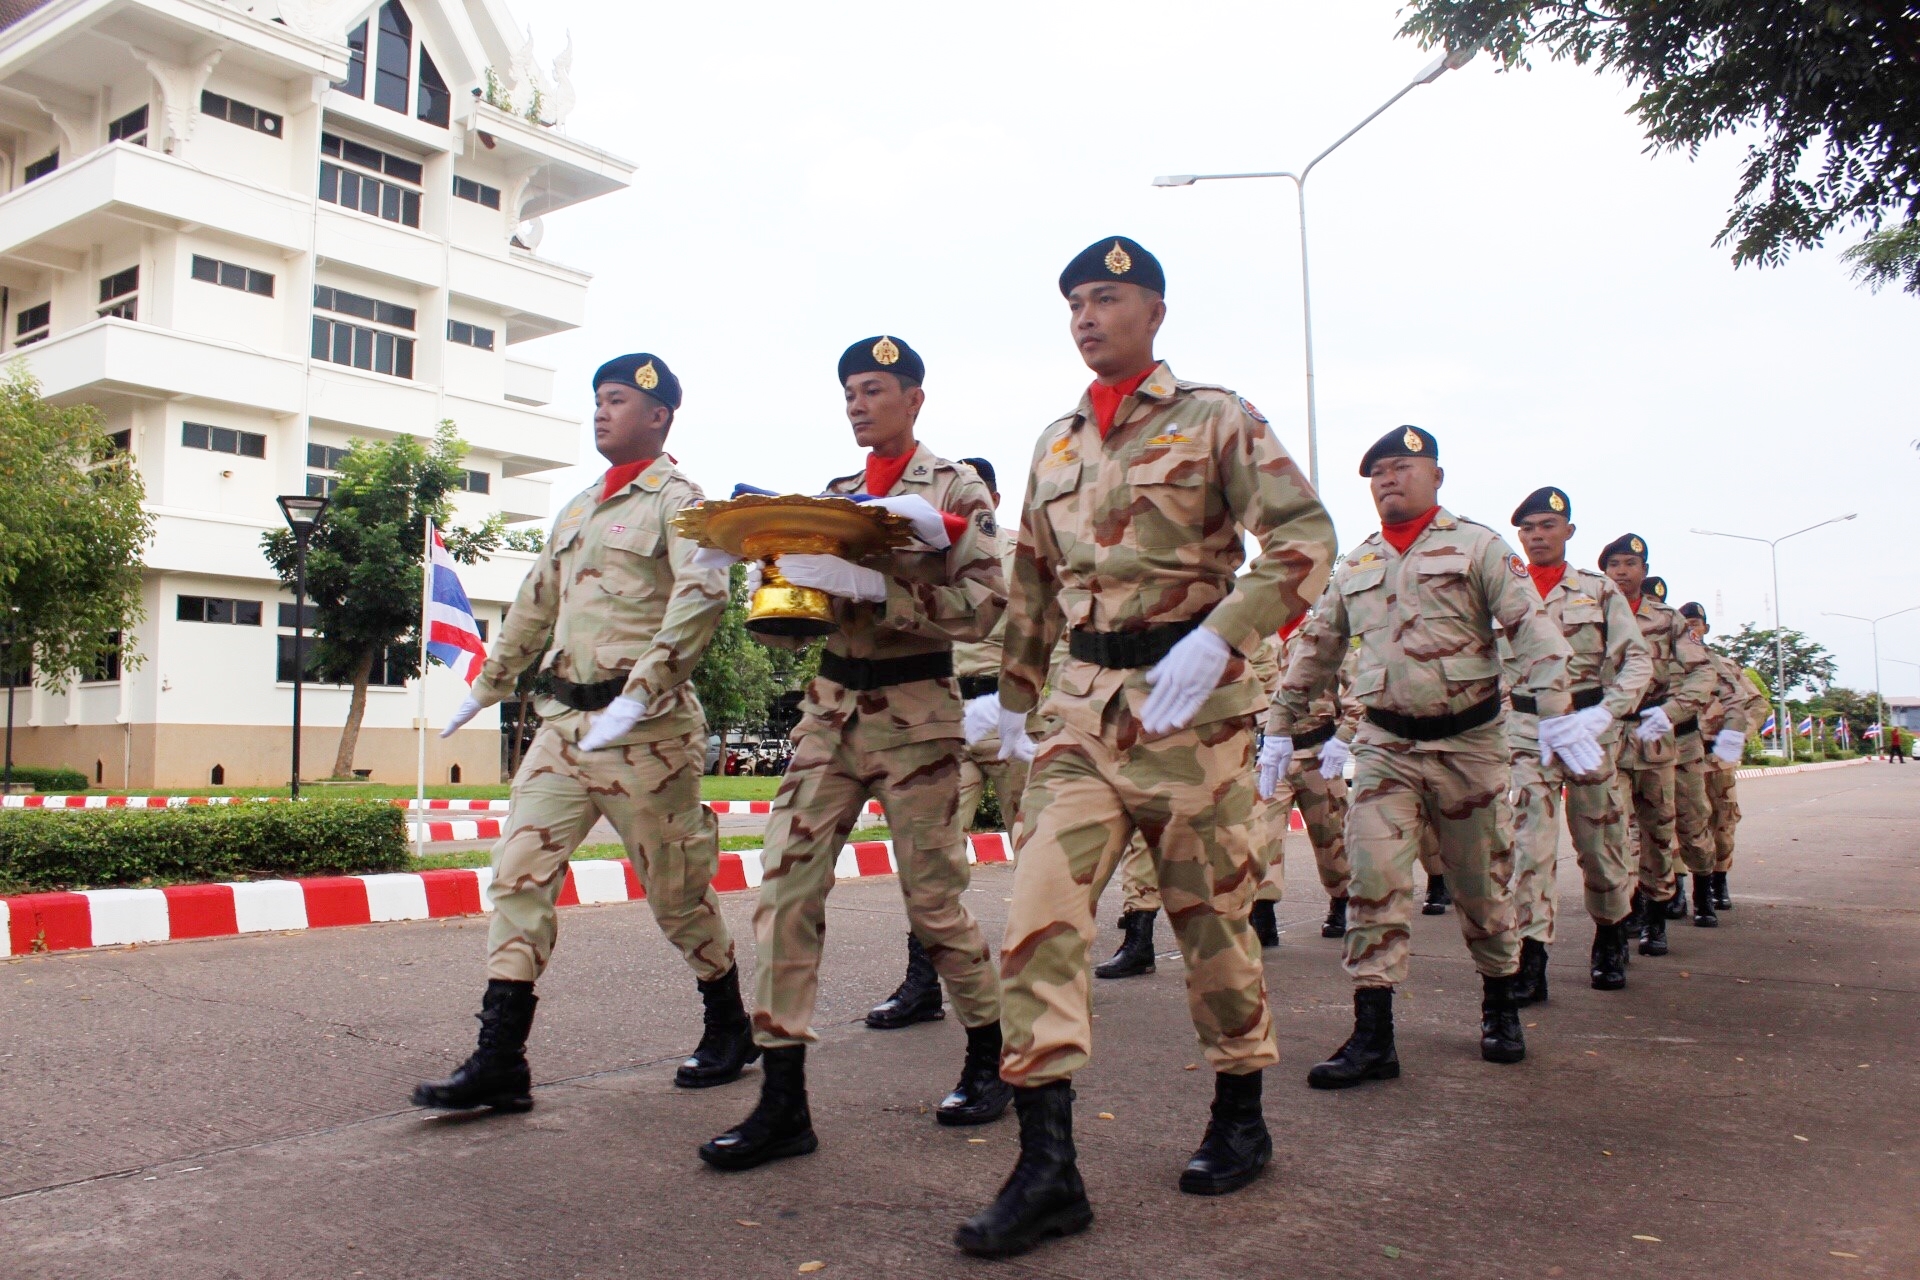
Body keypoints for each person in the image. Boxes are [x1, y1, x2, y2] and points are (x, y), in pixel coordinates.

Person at [954, 236, 1336, 1258]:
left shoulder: (1216, 418)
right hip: (1084, 713)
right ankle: (1048, 1167)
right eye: (1075, 301)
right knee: (1036, 916)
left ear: (1154, 311)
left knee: (1211, 923)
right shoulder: (1057, 444)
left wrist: (1224, 635)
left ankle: (1240, 1109)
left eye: (1106, 297)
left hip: (1190, 714)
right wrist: (1012, 699)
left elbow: (1305, 539)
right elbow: (1033, 584)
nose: (1087, 317)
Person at [700, 336, 1010, 1172]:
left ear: (914, 398)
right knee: (783, 894)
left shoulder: (955, 488)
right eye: (848, 393)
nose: (858, 405)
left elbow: (987, 607)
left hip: (916, 719)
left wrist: (883, 588)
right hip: (831, 716)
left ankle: (991, 1054)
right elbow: (795, 627)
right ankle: (783, 1101)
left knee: (934, 907)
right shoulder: (834, 499)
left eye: (873, 389)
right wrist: (778, 581)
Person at [416, 354, 749, 1113]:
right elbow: (535, 602)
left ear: (659, 415)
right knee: (518, 875)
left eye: (618, 399)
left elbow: (701, 598)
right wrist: (488, 685)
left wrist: (646, 688)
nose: (601, 410)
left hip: (647, 736)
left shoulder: (683, 504)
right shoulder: (577, 509)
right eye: (598, 398)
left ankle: (730, 1024)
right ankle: (501, 1060)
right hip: (562, 729)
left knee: (677, 893)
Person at [1273, 428, 1601, 1091]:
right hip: (1386, 748)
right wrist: (1280, 724)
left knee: (1482, 887)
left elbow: (1533, 630)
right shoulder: (1358, 563)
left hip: (1468, 747)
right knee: (1372, 882)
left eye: (1402, 467)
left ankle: (1500, 1004)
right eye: (1378, 474)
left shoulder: (1478, 547)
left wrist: (1558, 711)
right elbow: (1318, 646)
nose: (1389, 480)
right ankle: (1373, 1035)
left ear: (1436, 477)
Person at [866, 455, 1026, 1031]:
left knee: (1036, 850)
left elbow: (1050, 634)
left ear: (994, 499)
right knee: (928, 852)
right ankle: (922, 983)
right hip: (950, 714)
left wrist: (1035, 707)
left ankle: (1040, 978)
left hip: (1013, 717)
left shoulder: (1020, 552)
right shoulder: (935, 550)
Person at [1502, 487, 1653, 1000]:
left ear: (1568, 531)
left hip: (1588, 730)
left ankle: (1610, 935)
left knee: (1600, 844)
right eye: (1527, 528)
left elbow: (1636, 659)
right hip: (1528, 732)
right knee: (1528, 847)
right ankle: (1531, 957)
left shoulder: (1598, 590)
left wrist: (1607, 712)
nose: (1537, 536)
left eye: (1547, 526)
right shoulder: (1505, 591)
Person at [1599, 536, 1716, 956]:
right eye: (1614, 564)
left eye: (1630, 563)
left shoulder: (1667, 619)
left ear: (1644, 570)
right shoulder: (1589, 612)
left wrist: (1672, 711)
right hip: (1607, 736)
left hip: (1655, 738)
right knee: (1610, 832)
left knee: (1658, 832)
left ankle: (1656, 915)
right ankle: (1617, 925)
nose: (1622, 571)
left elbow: (1703, 672)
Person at [1260, 615, 1359, 939]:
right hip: (1270, 759)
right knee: (1260, 834)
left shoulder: (1326, 635)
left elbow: (1359, 692)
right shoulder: (1256, 635)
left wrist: (1343, 738)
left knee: (1332, 836)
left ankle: (1342, 901)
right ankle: (1261, 911)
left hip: (1318, 754)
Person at [1681, 602, 1765, 910]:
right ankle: (1675, 890)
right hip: (1681, 757)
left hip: (1717, 759)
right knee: (1680, 822)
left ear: (1705, 628)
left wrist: (1735, 736)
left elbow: (1757, 704)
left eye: (1695, 623)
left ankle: (1719, 880)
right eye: (1684, 624)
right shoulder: (1671, 665)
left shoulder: (1725, 667)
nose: (1691, 629)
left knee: (1722, 822)